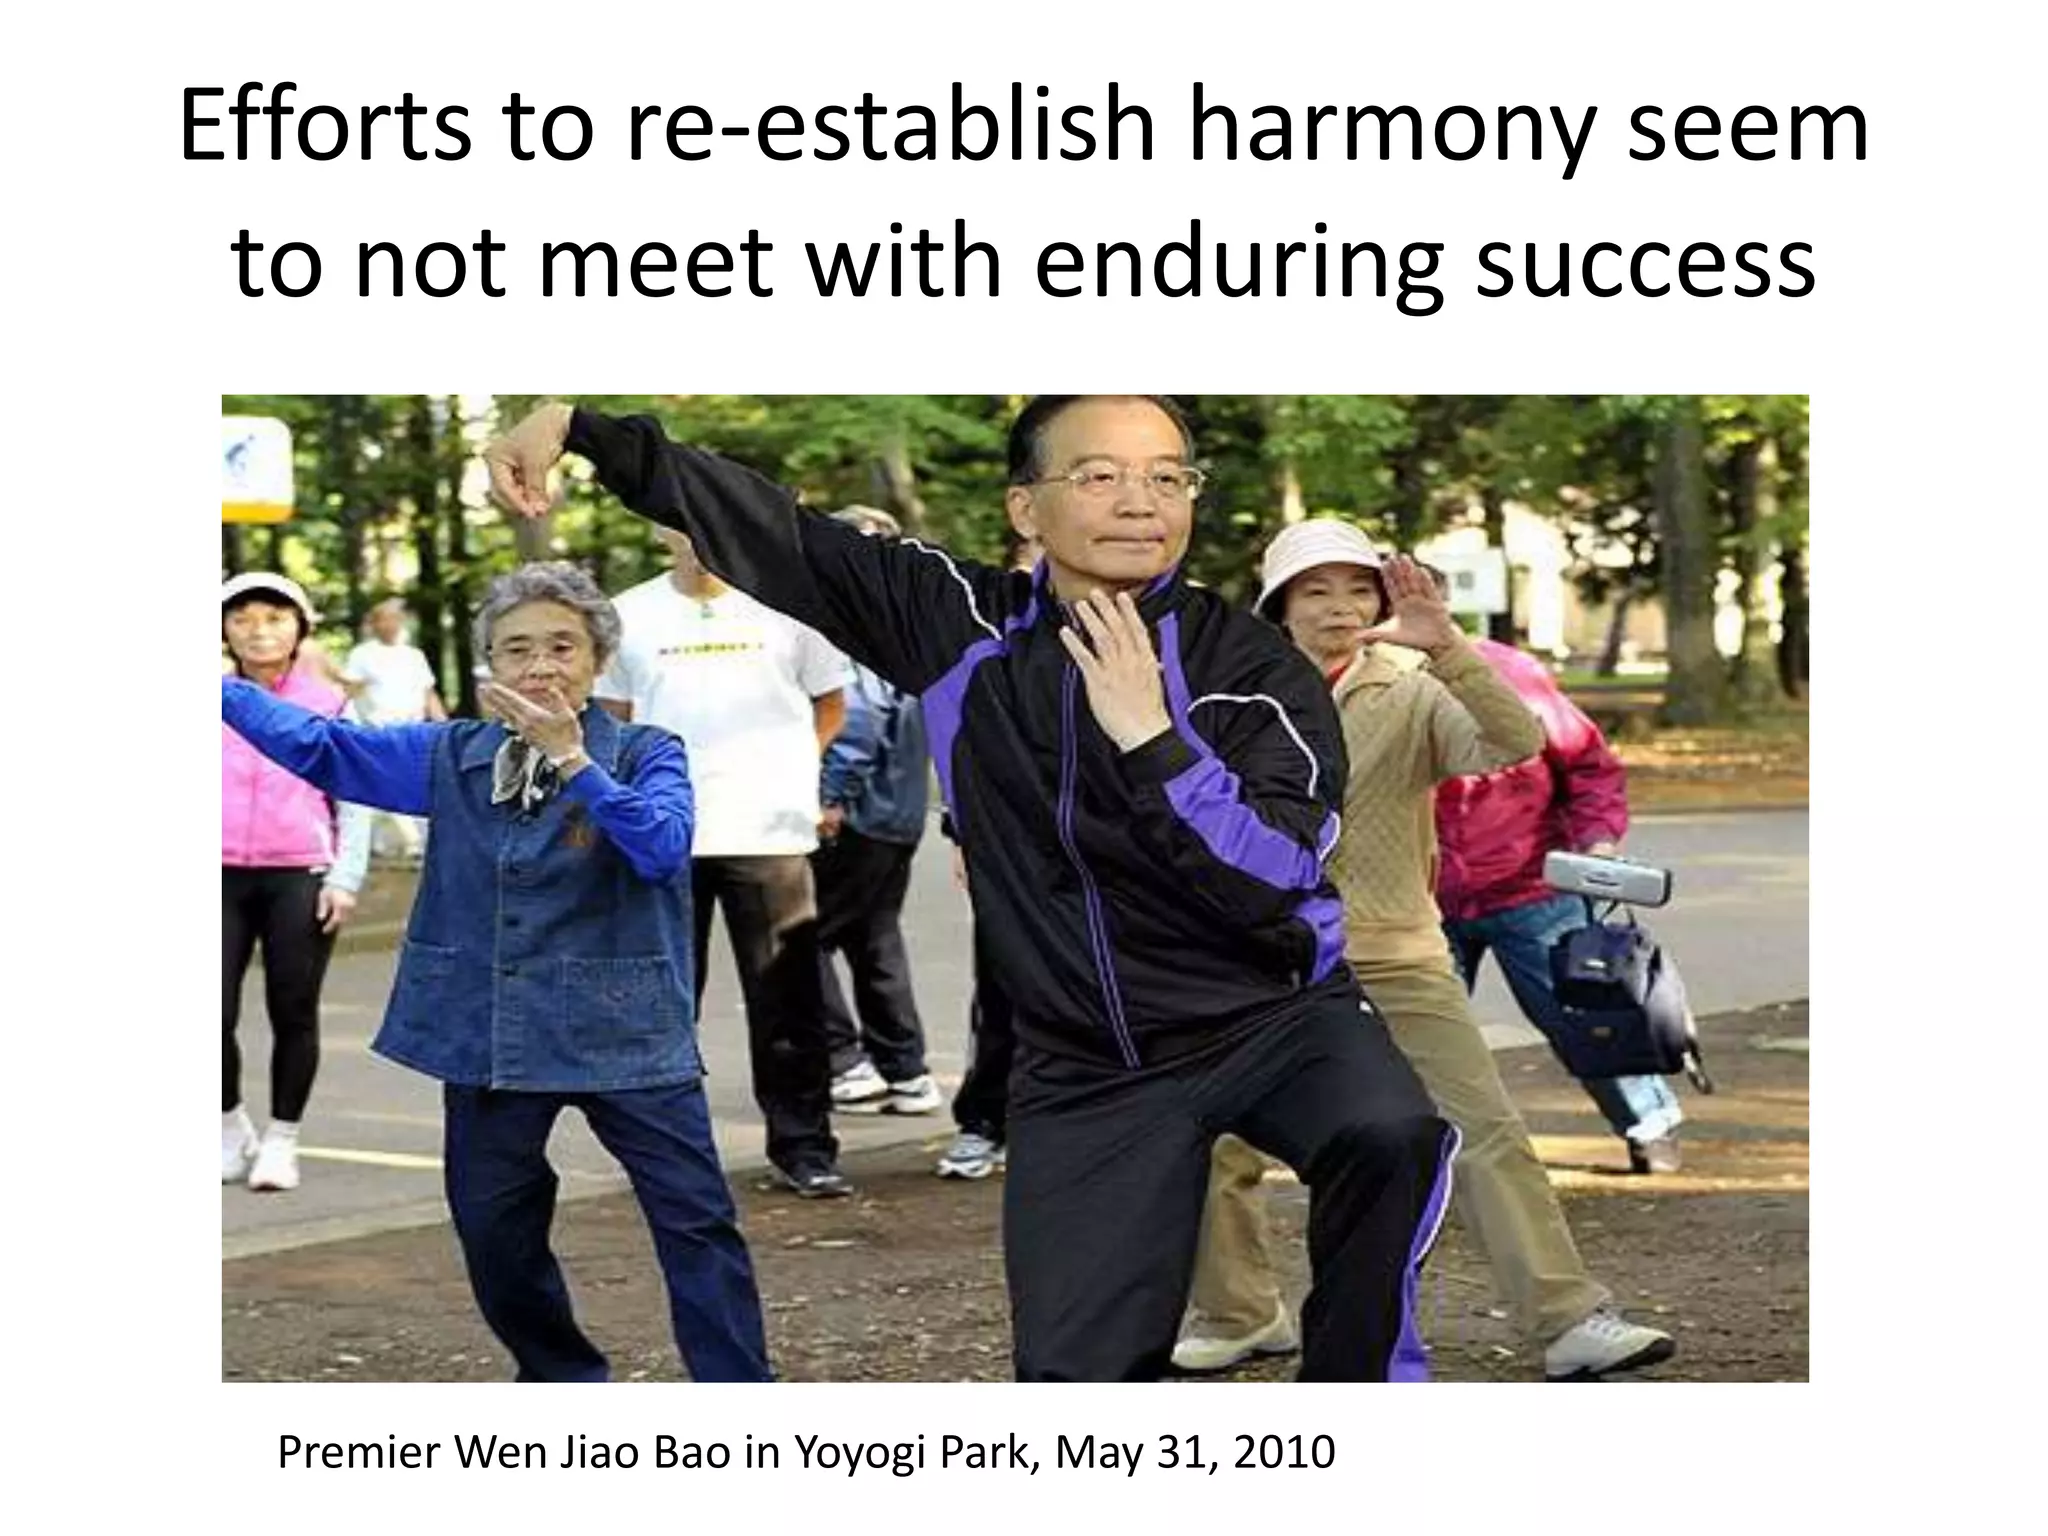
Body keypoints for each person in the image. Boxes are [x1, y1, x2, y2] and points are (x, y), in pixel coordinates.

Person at [488, 397, 1454, 1383]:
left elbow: (1274, 874)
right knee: (1074, 1378)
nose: (1140, 502)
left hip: (1273, 1019)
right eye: (1100, 475)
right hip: (1088, 1065)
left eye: (1167, 476)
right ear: (1026, 508)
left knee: (1391, 1135)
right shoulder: (955, 622)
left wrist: (1152, 741)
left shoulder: (1247, 668)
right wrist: (576, 424)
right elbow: (777, 534)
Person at [219, 562, 771, 1383]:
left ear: (596, 662)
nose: (540, 665)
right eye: (518, 650)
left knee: (695, 1221)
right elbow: (323, 747)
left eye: (562, 646)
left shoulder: (651, 750)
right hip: (489, 1027)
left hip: (627, 1028)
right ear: (491, 667)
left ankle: (738, 1395)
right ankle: (560, 1377)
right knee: (493, 1230)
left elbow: (659, 847)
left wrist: (577, 764)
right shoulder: (452, 753)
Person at [1169, 522, 1675, 1382]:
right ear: (1279, 605)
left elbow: (1513, 742)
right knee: (1215, 1142)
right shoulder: (1233, 696)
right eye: (1315, 591)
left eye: (1357, 590)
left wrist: (1449, 651)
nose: (1339, 608)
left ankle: (1567, 1320)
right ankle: (1240, 1313)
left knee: (1480, 1129)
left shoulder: (1408, 689)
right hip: (1261, 958)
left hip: (1396, 950)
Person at [596, 527, 856, 1198]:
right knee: (663, 1003)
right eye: (681, 520)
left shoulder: (789, 605)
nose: (699, 534)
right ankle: (665, 1155)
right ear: (660, 531)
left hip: (768, 832)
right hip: (666, 838)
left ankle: (804, 1147)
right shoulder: (628, 614)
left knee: (788, 1001)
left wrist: (796, 767)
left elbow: (831, 701)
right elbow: (614, 723)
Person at [1434, 611, 1686, 1173]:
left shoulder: (1509, 673)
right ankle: (1422, 1160)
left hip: (1533, 887)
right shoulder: (1362, 684)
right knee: (1415, 1038)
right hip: (1420, 901)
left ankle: (1649, 1122)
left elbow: (1590, 766)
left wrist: (1597, 843)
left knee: (1586, 1016)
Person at [221, 572, 370, 1192]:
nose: (259, 630)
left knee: (293, 1010)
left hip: (301, 875)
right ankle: (228, 1129)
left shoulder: (330, 705)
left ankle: (282, 1138)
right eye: (244, 617)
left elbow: (356, 794)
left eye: (275, 617)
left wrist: (345, 876)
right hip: (215, 872)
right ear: (224, 630)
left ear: (300, 628)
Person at [813, 508, 941, 1117]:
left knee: (799, 939)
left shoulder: (856, 628)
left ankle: (845, 1063)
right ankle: (907, 1069)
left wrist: (830, 795)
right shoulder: (907, 626)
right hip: (899, 815)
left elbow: (859, 720)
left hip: (862, 814)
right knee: (874, 941)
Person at [934, 526, 1040, 1180]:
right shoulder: (984, 660)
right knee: (1002, 991)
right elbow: (960, 754)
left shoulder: (1142, 647)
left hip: (1109, 861)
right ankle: (984, 1120)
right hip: (1009, 853)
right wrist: (964, 838)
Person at [341, 597, 448, 863]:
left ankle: (375, 843)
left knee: (396, 785)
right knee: (392, 781)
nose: (390, 624)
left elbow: (428, 692)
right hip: (377, 731)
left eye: (395, 618)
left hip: (413, 730)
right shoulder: (362, 655)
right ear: (374, 623)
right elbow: (349, 691)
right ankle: (414, 844)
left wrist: (445, 725)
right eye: (384, 618)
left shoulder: (414, 656)